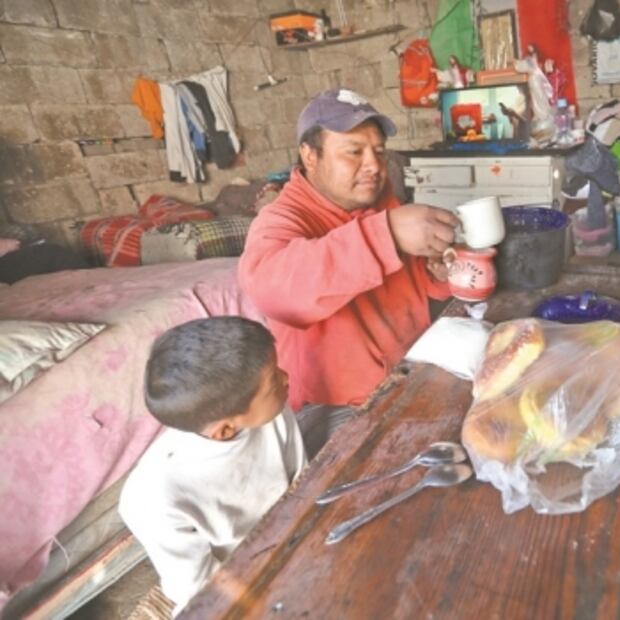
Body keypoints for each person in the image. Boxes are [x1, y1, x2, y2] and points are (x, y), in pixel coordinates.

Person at [239, 89, 459, 410]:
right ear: (310, 156)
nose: (373, 165)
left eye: (379, 151)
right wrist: (387, 235)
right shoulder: (282, 218)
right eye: (354, 151)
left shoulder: (378, 199)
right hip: (338, 405)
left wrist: (438, 273)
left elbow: (409, 282)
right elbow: (271, 290)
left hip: (410, 371)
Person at [119, 317, 305, 615]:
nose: (286, 378)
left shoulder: (272, 414)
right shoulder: (152, 499)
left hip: (292, 542)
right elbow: (197, 588)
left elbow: (303, 484)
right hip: (228, 583)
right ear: (224, 430)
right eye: (273, 382)